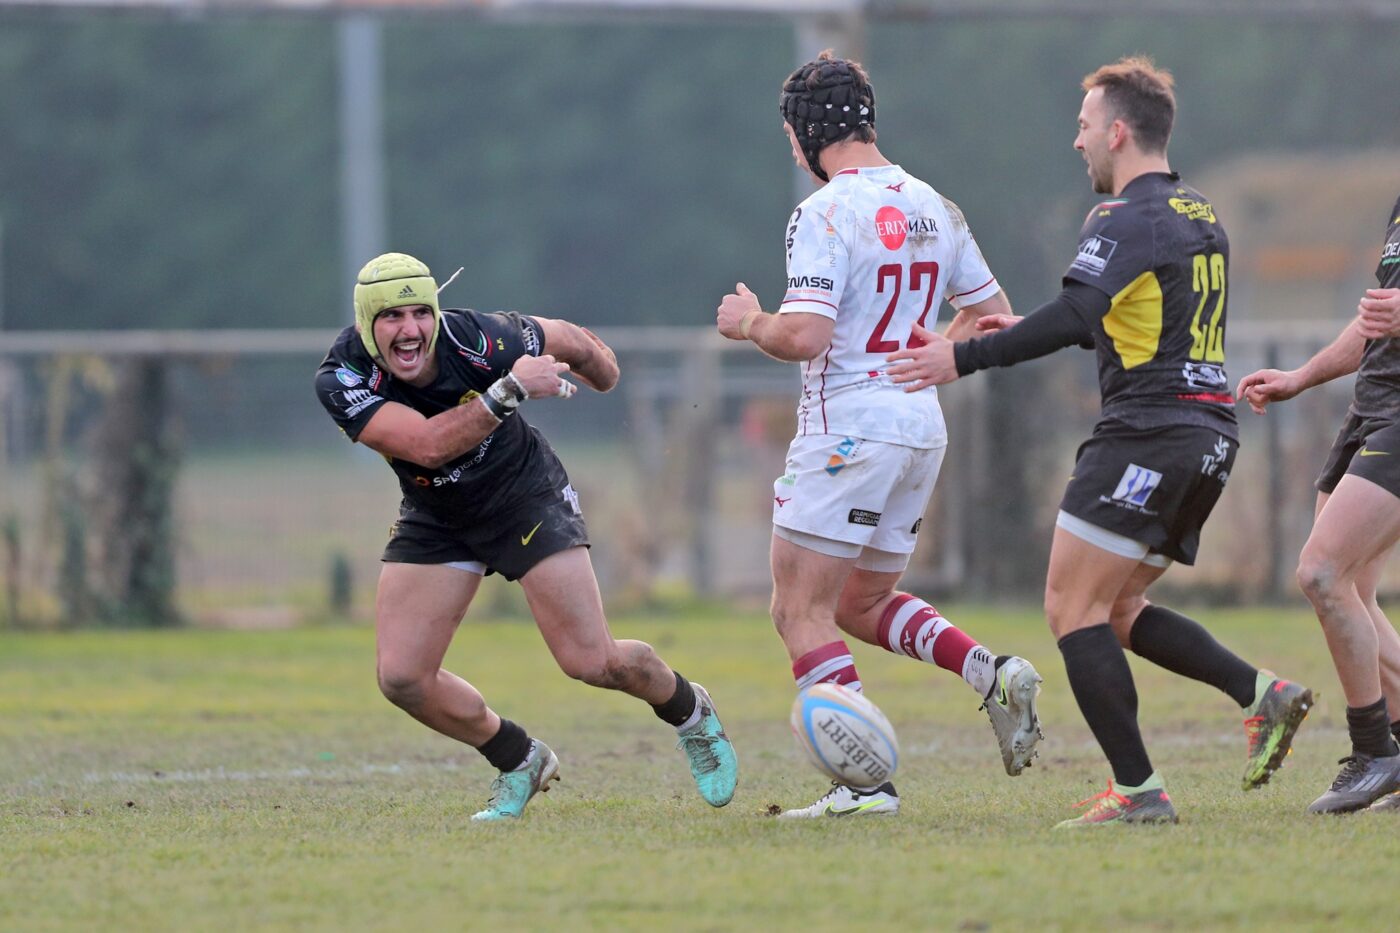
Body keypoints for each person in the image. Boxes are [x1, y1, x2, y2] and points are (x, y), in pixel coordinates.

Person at [886, 57, 1313, 827]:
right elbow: (1131, 321)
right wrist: (1022, 326)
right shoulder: (1199, 211)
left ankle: (1138, 790)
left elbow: (1079, 316)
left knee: (1069, 606)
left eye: (1084, 125)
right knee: (1115, 608)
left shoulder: (1121, 217)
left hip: (1148, 433)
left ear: (1117, 131)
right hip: (1208, 436)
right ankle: (1261, 693)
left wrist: (961, 357)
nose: (1076, 140)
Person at [715, 50, 1044, 820]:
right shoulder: (935, 204)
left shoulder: (824, 211)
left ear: (806, 133)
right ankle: (991, 674)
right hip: (918, 428)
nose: (791, 152)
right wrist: (939, 358)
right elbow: (993, 314)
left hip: (849, 429)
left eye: (789, 138)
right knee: (863, 602)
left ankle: (865, 787)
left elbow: (805, 334)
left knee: (797, 608)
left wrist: (750, 321)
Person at [315, 252, 737, 821]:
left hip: (524, 498)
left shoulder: (478, 339)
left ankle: (690, 711)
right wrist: (511, 389)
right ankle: (519, 759)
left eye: (420, 313)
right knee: (403, 678)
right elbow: (426, 446)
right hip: (436, 511)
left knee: (592, 661)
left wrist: (603, 377)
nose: (410, 329)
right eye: (392, 317)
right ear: (368, 324)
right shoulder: (343, 376)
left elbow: (569, 339)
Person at [1235, 198, 1400, 814]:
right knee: (1350, 590)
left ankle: (1374, 753)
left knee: (1322, 572)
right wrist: (1301, 376)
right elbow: (1375, 322)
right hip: (1372, 408)